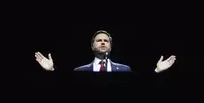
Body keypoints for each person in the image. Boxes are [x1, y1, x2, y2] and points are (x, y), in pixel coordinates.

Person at [34, 30, 177, 73]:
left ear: (110, 46)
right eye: (99, 40)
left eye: (106, 41)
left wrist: (157, 71)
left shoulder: (124, 70)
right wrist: (51, 70)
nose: (102, 42)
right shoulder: (79, 71)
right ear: (92, 46)